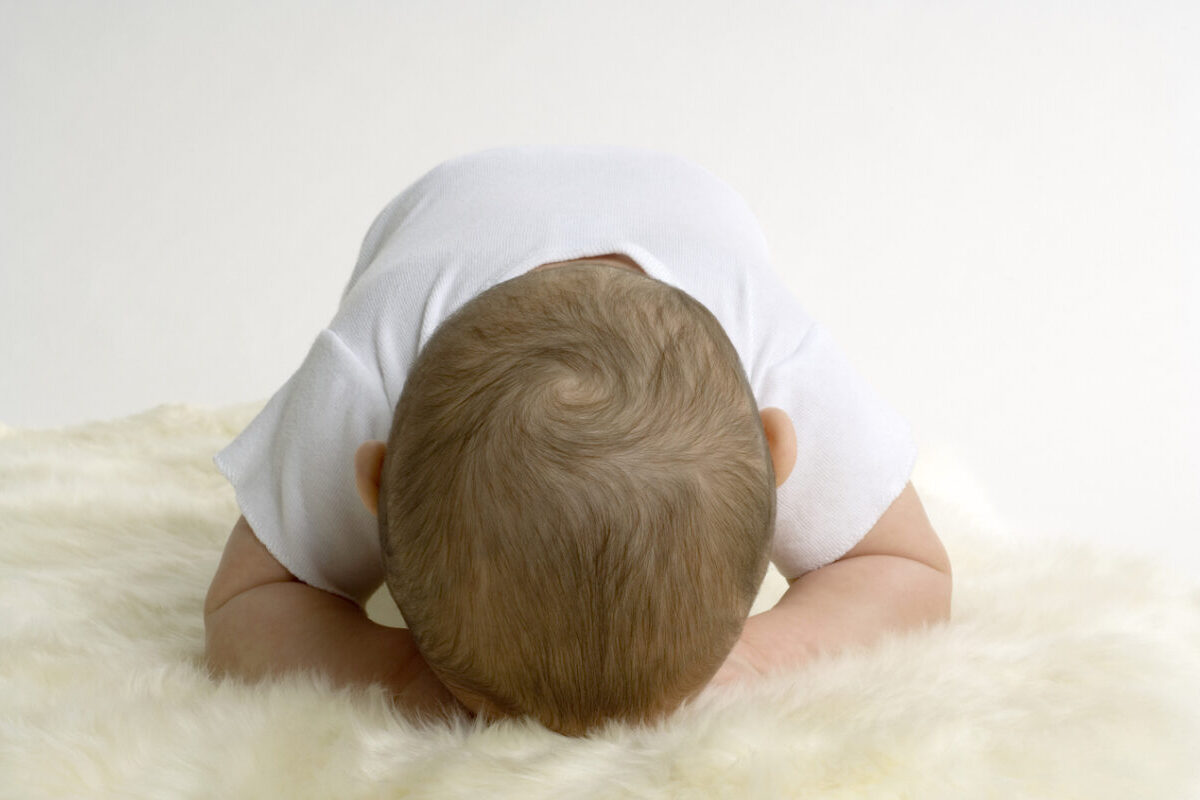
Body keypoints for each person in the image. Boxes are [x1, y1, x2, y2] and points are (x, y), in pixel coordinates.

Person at [202, 145, 952, 737]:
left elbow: (905, 565)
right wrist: (401, 675)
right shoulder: (363, 384)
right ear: (376, 479)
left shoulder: (776, 359)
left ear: (774, 452)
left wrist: (754, 658)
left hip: (690, 203)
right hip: (445, 213)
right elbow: (246, 600)